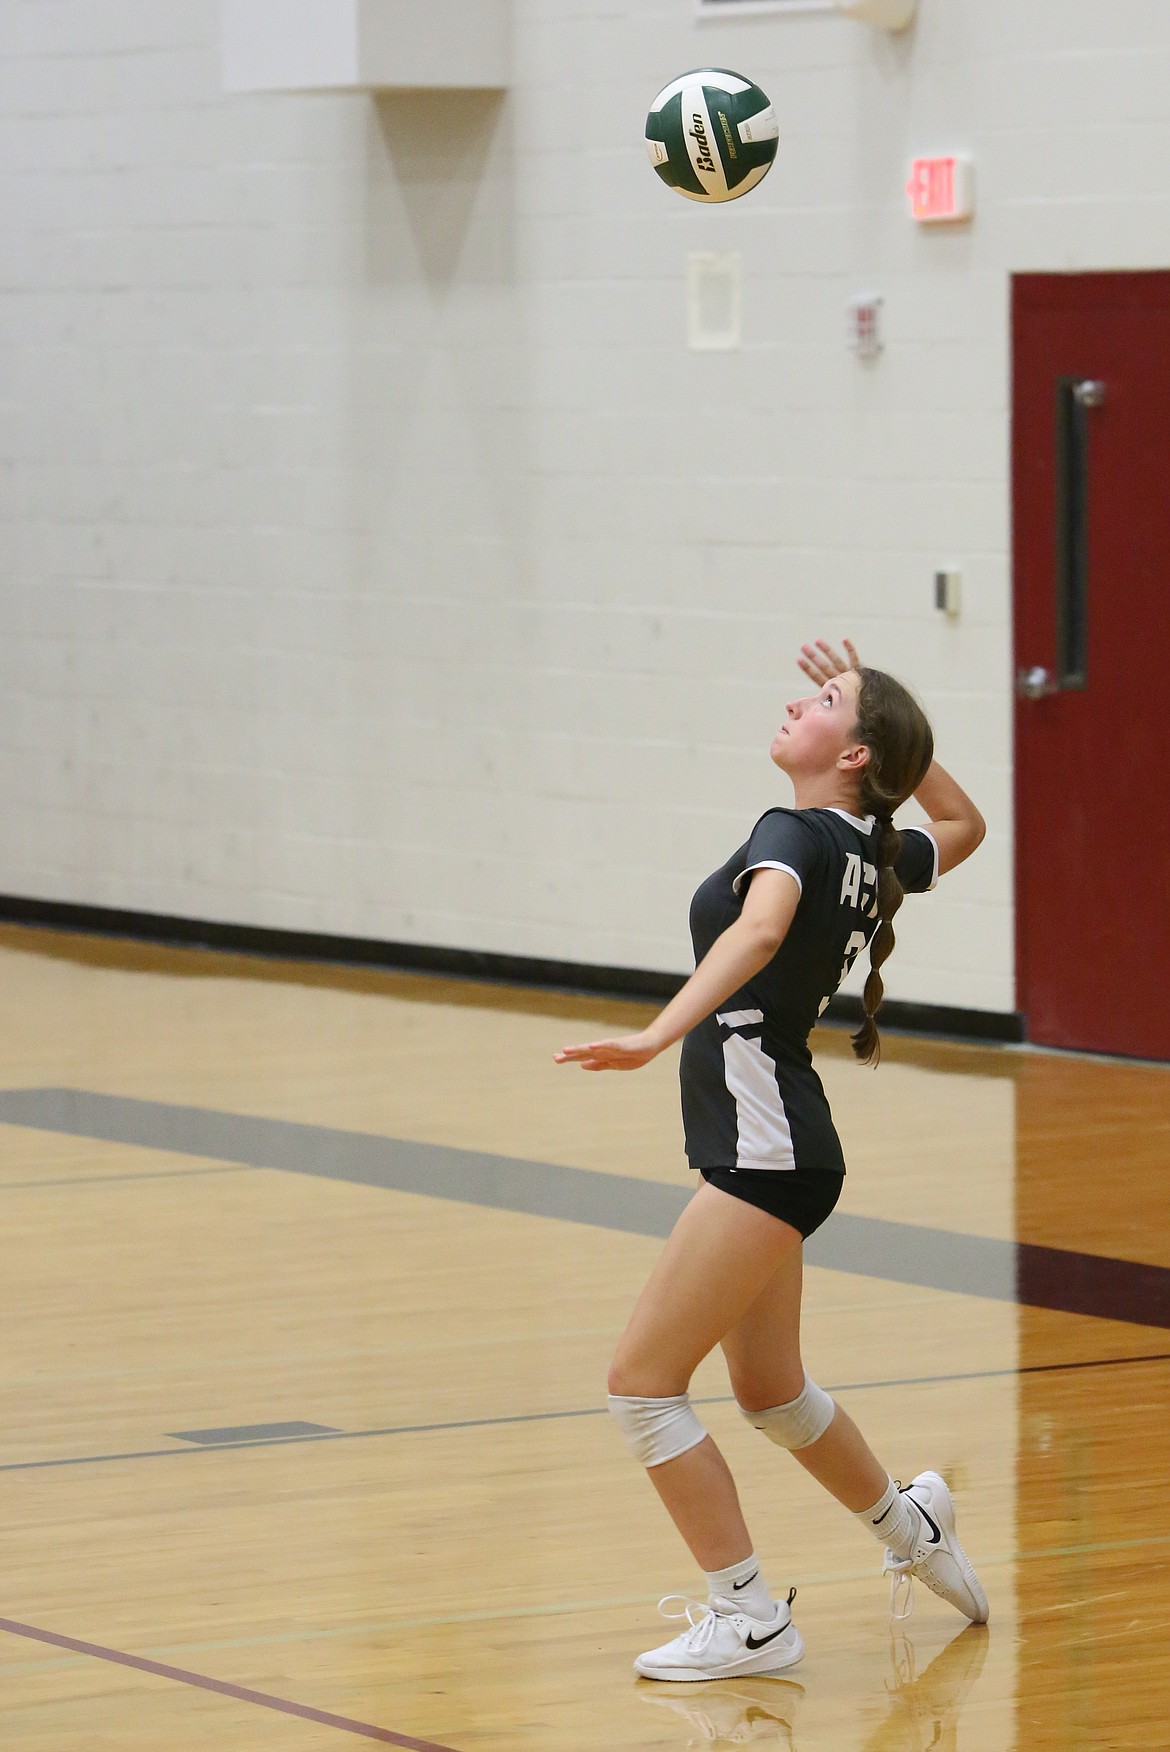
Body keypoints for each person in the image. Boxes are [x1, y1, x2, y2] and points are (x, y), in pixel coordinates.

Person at [554, 638, 989, 1683]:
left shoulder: (794, 832)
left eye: (828, 701)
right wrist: (891, 735)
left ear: (853, 757)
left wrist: (657, 1034)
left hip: (765, 1151)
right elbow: (964, 824)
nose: (801, 702)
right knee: (772, 1392)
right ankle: (909, 1525)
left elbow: (756, 934)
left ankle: (747, 1614)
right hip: (786, 1145)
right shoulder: (872, 848)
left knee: (643, 1387)